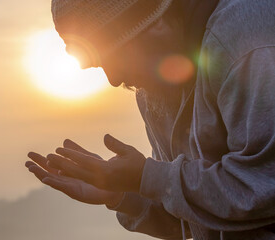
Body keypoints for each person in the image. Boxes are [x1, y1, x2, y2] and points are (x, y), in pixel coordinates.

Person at [25, 0, 275, 239]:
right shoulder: (154, 89)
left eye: (116, 56)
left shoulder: (247, 43)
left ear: (155, 23)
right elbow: (195, 213)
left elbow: (265, 188)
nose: (113, 78)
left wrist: (148, 177)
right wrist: (120, 192)